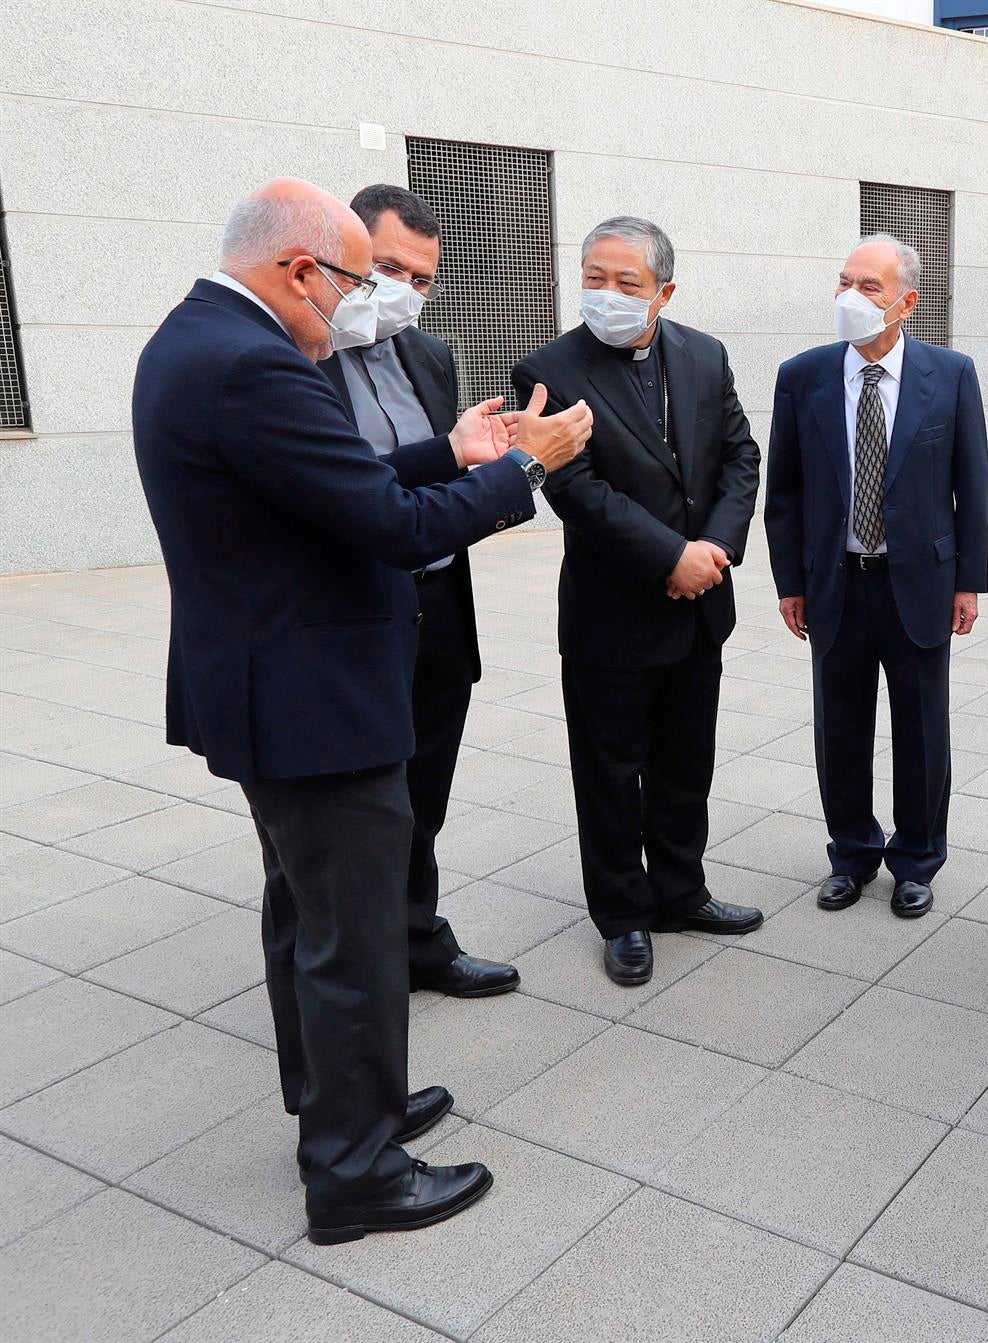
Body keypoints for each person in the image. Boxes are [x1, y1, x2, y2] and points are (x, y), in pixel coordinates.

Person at [130, 178, 589, 1244]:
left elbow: (333, 483)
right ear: (299, 270)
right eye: (352, 281)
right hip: (313, 698)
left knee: (308, 917)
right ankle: (358, 1171)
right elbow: (389, 523)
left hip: (277, 687)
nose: (358, 306)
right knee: (352, 938)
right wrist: (528, 465)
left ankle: (338, 1102)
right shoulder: (254, 363)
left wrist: (454, 452)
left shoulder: (198, 338)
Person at [513, 217, 763, 989]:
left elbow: (739, 457)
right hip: (611, 613)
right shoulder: (549, 369)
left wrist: (712, 550)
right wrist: (670, 556)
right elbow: (574, 489)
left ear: (664, 291)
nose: (607, 293)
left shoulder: (704, 354)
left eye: (627, 282)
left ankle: (682, 892)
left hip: (698, 603)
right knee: (611, 774)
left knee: (686, 764)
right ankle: (623, 914)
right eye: (594, 277)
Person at [315, 184, 519, 999]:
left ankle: (416, 939)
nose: (403, 289)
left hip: (438, 608)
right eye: (388, 268)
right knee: (360, 808)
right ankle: (357, 964)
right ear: (347, 255)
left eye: (422, 278)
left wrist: (497, 466)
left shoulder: (428, 354)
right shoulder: (298, 353)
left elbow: (442, 483)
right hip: (353, 616)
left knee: (422, 796)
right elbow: (349, 495)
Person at [764, 236, 988, 917]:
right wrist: (790, 583)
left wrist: (968, 581)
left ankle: (917, 857)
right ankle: (852, 852)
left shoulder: (950, 374)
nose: (850, 297)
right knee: (839, 727)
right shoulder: (802, 376)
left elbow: (972, 485)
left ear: (906, 302)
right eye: (844, 282)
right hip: (836, 582)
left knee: (921, 727)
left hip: (918, 582)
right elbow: (785, 492)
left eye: (868, 286)